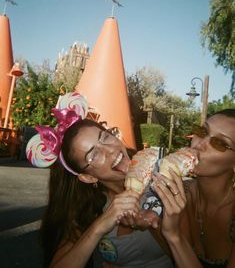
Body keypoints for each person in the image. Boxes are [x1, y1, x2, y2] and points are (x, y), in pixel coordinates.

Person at [27, 92, 174, 268]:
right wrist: (100, 226)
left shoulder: (162, 183)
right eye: (94, 155)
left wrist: (151, 224)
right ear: (88, 177)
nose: (110, 150)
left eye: (105, 137)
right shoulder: (91, 208)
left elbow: (186, 257)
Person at [152, 109, 235, 268]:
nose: (200, 144)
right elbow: (179, 258)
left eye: (220, 143)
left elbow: (176, 240)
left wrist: (173, 235)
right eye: (202, 131)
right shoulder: (180, 193)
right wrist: (154, 224)